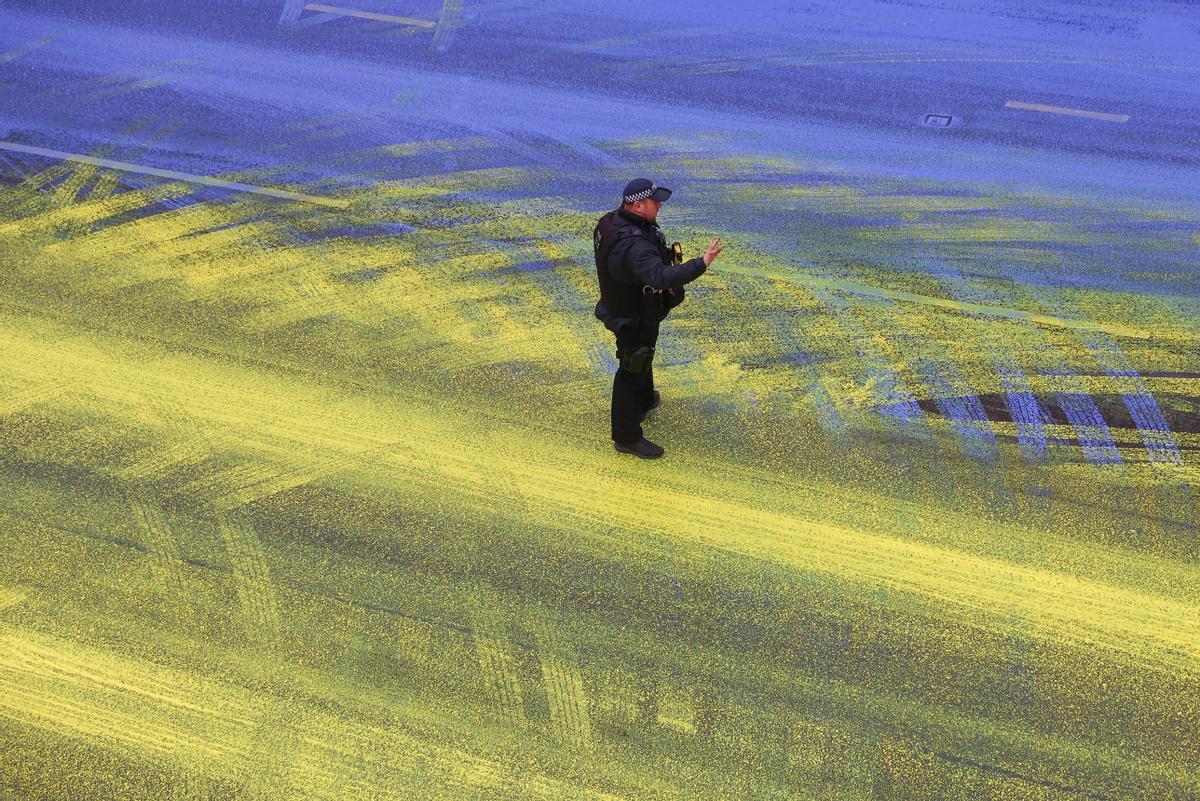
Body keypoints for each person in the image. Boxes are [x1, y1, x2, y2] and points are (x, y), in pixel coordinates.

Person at [593, 178, 724, 459]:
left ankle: (643, 400)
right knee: (633, 363)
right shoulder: (633, 245)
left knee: (644, 354)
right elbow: (660, 276)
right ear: (638, 205)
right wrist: (702, 263)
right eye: (655, 202)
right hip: (630, 313)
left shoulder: (611, 222)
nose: (660, 206)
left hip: (632, 306)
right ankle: (626, 436)